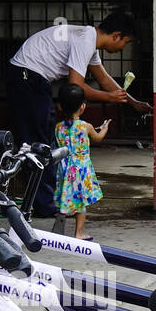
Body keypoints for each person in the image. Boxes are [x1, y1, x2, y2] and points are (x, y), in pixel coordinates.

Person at [7, 9, 151, 219]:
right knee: (38, 144)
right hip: (28, 78)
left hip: (31, 79)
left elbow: (104, 78)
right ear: (117, 35)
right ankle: (44, 205)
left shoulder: (88, 40)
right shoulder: (84, 40)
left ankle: (45, 202)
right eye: (125, 42)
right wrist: (109, 98)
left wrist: (133, 102)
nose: (122, 47)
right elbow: (76, 86)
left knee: (43, 142)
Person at [53, 83, 105, 239]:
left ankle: (59, 225)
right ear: (82, 107)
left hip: (64, 168)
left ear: (60, 107)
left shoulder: (58, 127)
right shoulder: (85, 126)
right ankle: (79, 232)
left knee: (66, 195)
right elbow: (98, 138)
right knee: (81, 200)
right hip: (81, 169)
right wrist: (105, 128)